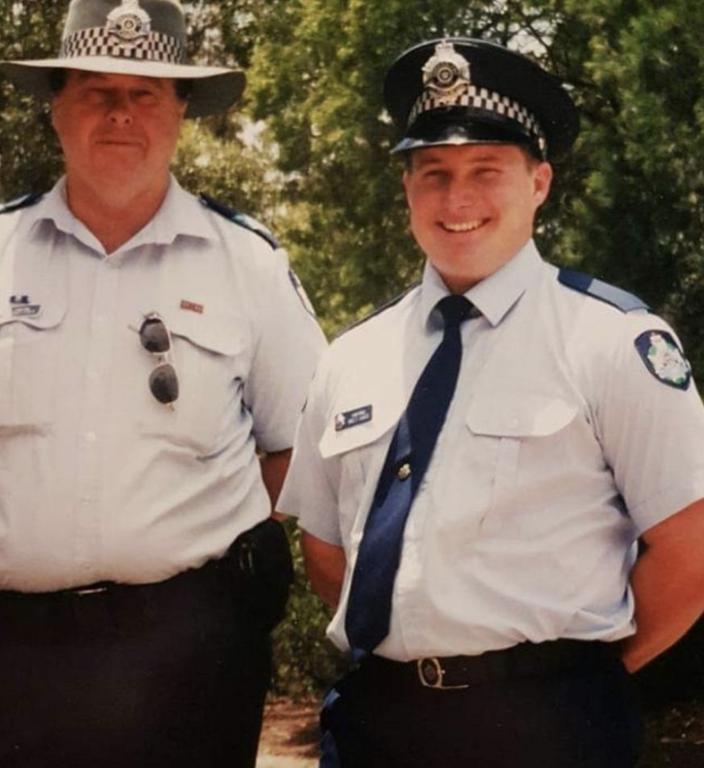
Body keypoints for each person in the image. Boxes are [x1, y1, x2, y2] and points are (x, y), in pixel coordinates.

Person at [277, 37, 704, 767]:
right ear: (407, 188)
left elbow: (690, 550)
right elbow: (324, 550)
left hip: (550, 726)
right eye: (433, 173)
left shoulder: (610, 340)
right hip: (376, 723)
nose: (458, 199)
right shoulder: (351, 357)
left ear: (539, 182)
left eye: (486, 170)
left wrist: (582, 679)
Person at [0, 1, 325, 766]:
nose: (121, 114)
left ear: (181, 112)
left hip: (188, 662)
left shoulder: (245, 264)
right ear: (57, 110)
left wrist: (188, 547)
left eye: (145, 93)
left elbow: (303, 457)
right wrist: (20, 516)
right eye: (96, 91)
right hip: (9, 655)